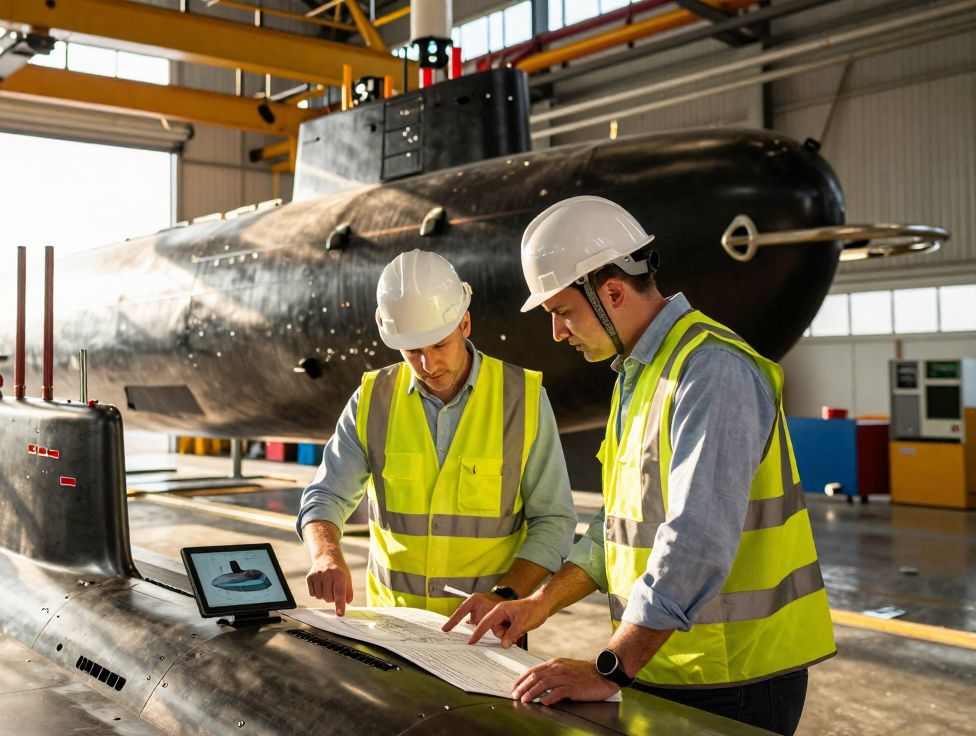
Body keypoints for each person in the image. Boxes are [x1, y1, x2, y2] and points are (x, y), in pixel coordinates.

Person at [449, 196, 835, 736]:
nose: (557, 332)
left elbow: (697, 539)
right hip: (665, 665)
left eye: (563, 312)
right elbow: (616, 528)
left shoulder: (710, 371)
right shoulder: (641, 374)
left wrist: (608, 668)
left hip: (735, 679)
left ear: (612, 292)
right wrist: (539, 604)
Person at [296, 249, 576, 621]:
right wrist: (325, 554)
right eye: (413, 351)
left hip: (486, 629)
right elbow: (326, 496)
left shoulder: (523, 399)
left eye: (440, 345)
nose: (429, 365)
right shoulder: (372, 400)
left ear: (465, 324)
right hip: (391, 626)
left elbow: (553, 521)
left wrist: (505, 594)